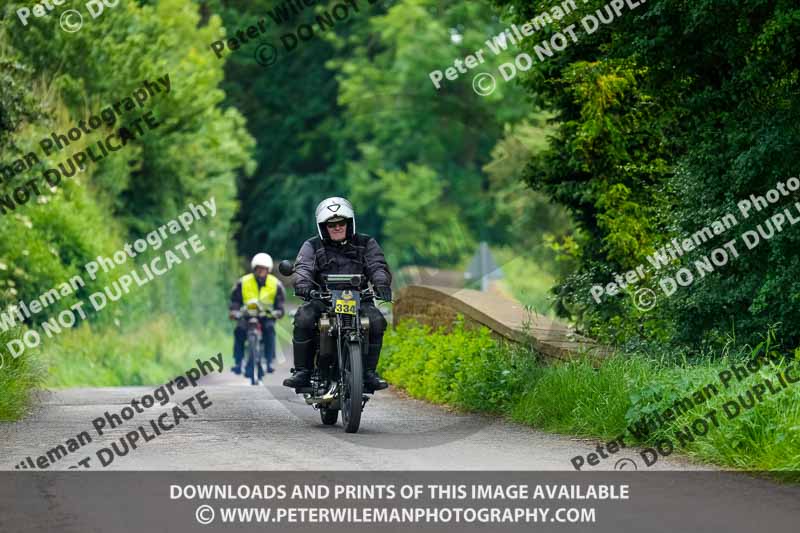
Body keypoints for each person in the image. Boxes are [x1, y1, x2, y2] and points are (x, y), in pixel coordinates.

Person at [283, 197, 392, 391]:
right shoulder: (312, 245)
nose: (337, 228)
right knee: (304, 317)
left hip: (359, 298)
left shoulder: (366, 243)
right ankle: (303, 371)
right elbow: (304, 267)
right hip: (323, 299)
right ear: (323, 227)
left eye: (341, 223)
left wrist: (381, 283)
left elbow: (377, 265)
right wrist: (303, 284)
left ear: (349, 223)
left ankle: (368, 372)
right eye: (331, 225)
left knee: (376, 320)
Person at [229, 253, 285, 379]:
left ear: (268, 269)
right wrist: (234, 311)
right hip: (246, 316)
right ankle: (238, 362)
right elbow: (235, 301)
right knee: (239, 330)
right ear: (254, 268)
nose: (261, 271)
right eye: (258, 268)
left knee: (270, 329)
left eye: (264, 268)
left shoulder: (276, 284)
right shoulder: (242, 282)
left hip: (266, 316)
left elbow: (280, 304)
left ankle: (269, 361)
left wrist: (278, 312)